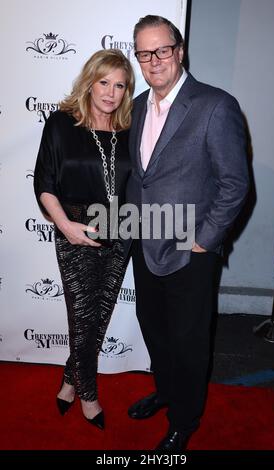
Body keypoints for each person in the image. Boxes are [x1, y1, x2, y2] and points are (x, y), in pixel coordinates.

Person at [126, 15, 249, 450]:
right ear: (137, 58)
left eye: (162, 49)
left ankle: (185, 418)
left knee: (188, 338)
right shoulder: (138, 106)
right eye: (144, 52)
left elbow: (235, 183)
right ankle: (166, 389)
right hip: (145, 240)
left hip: (191, 247)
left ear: (179, 51)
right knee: (153, 326)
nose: (154, 59)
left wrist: (203, 240)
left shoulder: (215, 105)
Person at [34, 49, 135, 430]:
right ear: (90, 81)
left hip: (120, 232)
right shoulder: (62, 123)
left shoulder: (128, 131)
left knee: (99, 317)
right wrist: (65, 227)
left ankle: (68, 379)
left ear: (126, 91)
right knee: (81, 317)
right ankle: (88, 394)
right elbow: (44, 181)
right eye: (104, 82)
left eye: (120, 85)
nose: (110, 92)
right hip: (75, 228)